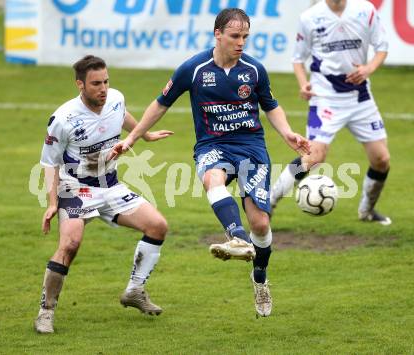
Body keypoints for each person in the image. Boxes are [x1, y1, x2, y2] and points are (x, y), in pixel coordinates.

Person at [108, 9, 310, 317]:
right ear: (217, 34)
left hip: (251, 147)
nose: (241, 42)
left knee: (261, 223)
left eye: (245, 37)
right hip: (212, 145)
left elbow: (271, 106)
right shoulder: (194, 68)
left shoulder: (254, 71)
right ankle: (237, 238)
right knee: (212, 180)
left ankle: (260, 279)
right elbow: (160, 104)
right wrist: (133, 138)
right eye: (234, 36)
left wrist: (287, 134)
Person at [35, 55, 173, 334]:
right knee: (71, 244)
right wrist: (52, 204)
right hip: (75, 188)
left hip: (110, 186)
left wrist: (144, 135)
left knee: (158, 226)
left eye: (106, 81)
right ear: (80, 85)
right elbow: (50, 163)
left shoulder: (115, 99)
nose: (103, 88)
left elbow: (121, 115)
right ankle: (46, 312)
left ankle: (135, 291)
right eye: (96, 83)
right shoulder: (62, 119)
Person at [271, 0, 391, 225]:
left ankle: (366, 211)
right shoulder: (310, 17)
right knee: (313, 157)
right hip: (324, 98)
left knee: (381, 159)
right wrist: (303, 83)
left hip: (360, 98)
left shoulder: (365, 10)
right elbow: (298, 59)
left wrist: (368, 69)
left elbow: (382, 48)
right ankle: (269, 201)